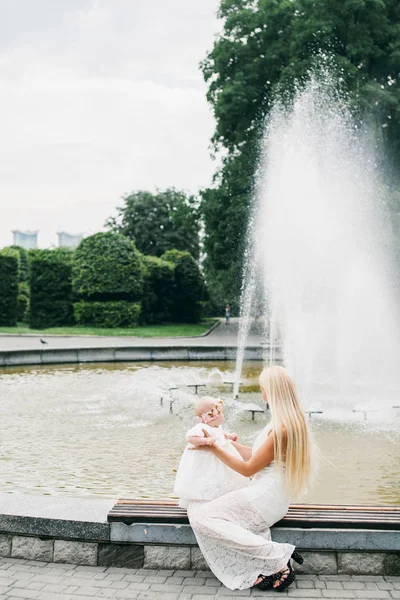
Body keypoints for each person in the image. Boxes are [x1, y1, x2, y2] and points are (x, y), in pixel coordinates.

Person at [187, 365, 316, 593]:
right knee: (197, 507)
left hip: (266, 495)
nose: (262, 393)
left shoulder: (282, 429)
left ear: (272, 391)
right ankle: (265, 567)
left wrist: (214, 447)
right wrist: (223, 440)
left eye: (263, 388)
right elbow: (253, 456)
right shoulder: (282, 423)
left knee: (201, 517)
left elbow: (247, 469)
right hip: (267, 492)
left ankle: (277, 556)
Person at [174, 397, 247, 508]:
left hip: (219, 459)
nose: (223, 415)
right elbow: (190, 438)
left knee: (221, 477)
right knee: (208, 478)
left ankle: (219, 498)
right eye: (221, 412)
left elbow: (219, 436)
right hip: (206, 461)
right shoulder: (201, 427)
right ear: (211, 417)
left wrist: (228, 436)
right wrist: (204, 440)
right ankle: (204, 499)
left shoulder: (216, 427)